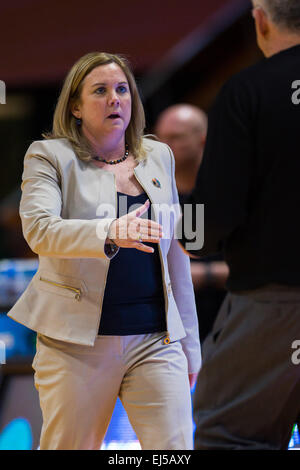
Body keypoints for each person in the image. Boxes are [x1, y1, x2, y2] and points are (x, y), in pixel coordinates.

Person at [7, 52, 201, 450]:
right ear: (75, 106)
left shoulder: (158, 156)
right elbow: (40, 231)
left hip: (156, 339)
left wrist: (190, 346)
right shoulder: (48, 157)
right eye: (100, 90)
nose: (115, 98)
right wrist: (112, 229)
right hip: (76, 345)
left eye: (122, 89)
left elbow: (176, 257)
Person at [178, 0, 300, 450]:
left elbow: (210, 215)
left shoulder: (246, 90)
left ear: (261, 20)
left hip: (276, 305)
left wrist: (185, 233)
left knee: (229, 435)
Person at [155, 104, 229, 344]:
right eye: (160, 138)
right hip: (171, 330)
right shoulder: (152, 198)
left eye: (175, 137)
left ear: (203, 140)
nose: (165, 146)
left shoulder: (229, 194)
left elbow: (260, 269)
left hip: (229, 320)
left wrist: (205, 275)